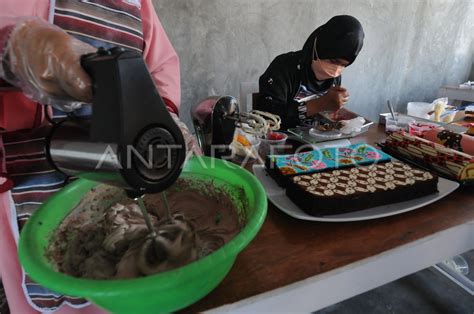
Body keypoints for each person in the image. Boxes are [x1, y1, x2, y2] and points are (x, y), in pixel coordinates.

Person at [0, 1, 199, 313]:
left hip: (123, 169)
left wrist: (162, 112)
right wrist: (15, 45)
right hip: (32, 178)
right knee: (57, 274)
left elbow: (158, 65)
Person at [255, 15, 365, 130]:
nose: (336, 70)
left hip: (316, 140)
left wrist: (336, 109)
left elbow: (324, 119)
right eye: (333, 61)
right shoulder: (284, 67)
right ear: (320, 47)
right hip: (282, 141)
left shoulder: (334, 77)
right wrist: (319, 104)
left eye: (344, 65)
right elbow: (267, 116)